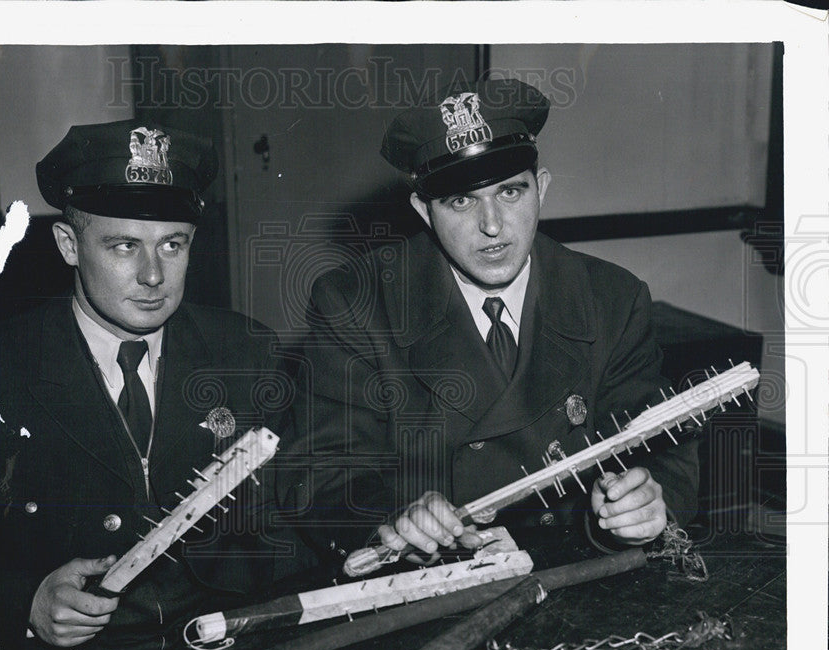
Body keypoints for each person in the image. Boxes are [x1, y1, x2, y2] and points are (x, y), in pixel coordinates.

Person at [0, 119, 295, 650]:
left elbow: (295, 521)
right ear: (69, 245)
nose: (155, 276)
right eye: (125, 246)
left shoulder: (246, 351)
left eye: (174, 245)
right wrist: (22, 602)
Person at [291, 79, 699, 569]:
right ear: (424, 211)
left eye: (510, 192)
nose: (492, 225)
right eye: (461, 201)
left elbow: (661, 443)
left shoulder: (612, 297)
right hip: (430, 582)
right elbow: (320, 471)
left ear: (541, 189)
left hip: (567, 564)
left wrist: (645, 501)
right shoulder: (356, 302)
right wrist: (393, 518)